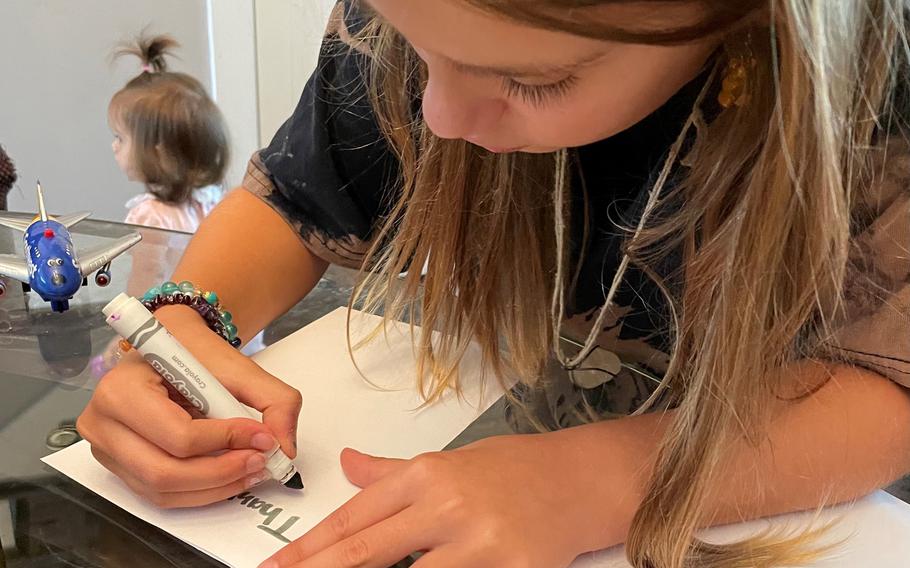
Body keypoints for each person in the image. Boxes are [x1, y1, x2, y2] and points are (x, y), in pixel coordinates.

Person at [77, 1, 910, 567]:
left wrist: (592, 485)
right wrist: (183, 319)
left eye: (534, 81)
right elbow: (296, 199)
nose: (437, 116)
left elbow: (889, 383)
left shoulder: (880, 76)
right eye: (414, 49)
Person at [109, 33, 228, 233]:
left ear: (159, 151)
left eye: (120, 138)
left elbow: (146, 266)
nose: (114, 146)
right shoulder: (211, 201)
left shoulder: (149, 216)